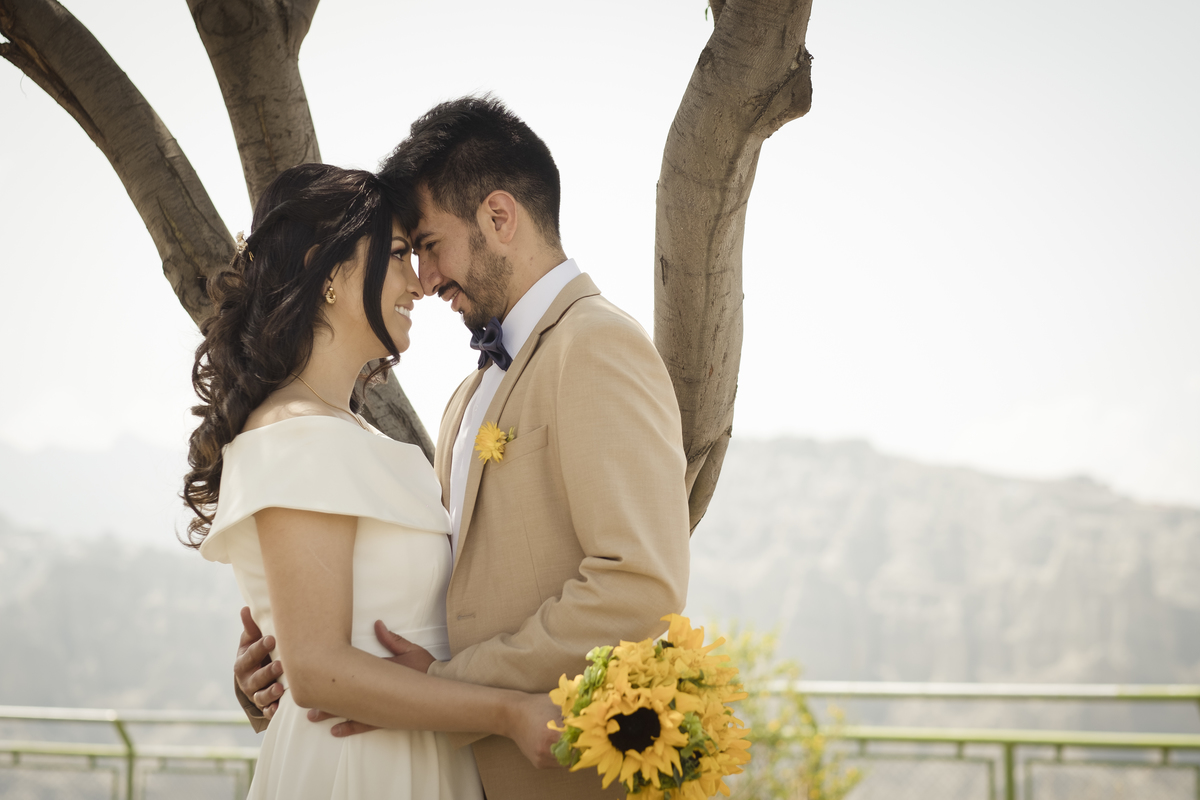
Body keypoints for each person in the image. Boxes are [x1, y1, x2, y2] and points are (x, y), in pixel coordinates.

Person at [234, 97, 693, 800]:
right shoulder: (466, 397)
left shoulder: (596, 344)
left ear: (499, 218)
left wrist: (452, 685)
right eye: (405, 253)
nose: (424, 278)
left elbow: (638, 583)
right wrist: (289, 660)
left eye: (426, 245)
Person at [184, 162, 560, 799]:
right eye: (397, 254)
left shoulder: (351, 434)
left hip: (422, 753)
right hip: (360, 769)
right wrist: (509, 712)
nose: (419, 283)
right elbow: (318, 671)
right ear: (327, 271)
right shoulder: (296, 434)